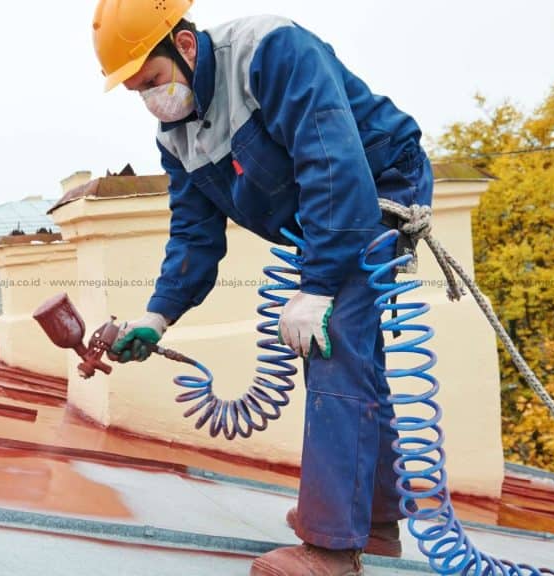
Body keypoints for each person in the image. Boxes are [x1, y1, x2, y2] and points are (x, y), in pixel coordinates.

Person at [92, 1, 434, 575]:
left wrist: (319, 286)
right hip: (324, 209)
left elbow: (333, 163)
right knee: (354, 355)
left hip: (374, 188)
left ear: (186, 45)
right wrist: (157, 317)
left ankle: (331, 551)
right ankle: (373, 524)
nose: (151, 99)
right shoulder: (176, 137)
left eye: (152, 80)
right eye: (137, 91)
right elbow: (194, 236)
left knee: (332, 341)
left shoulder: (270, 51)